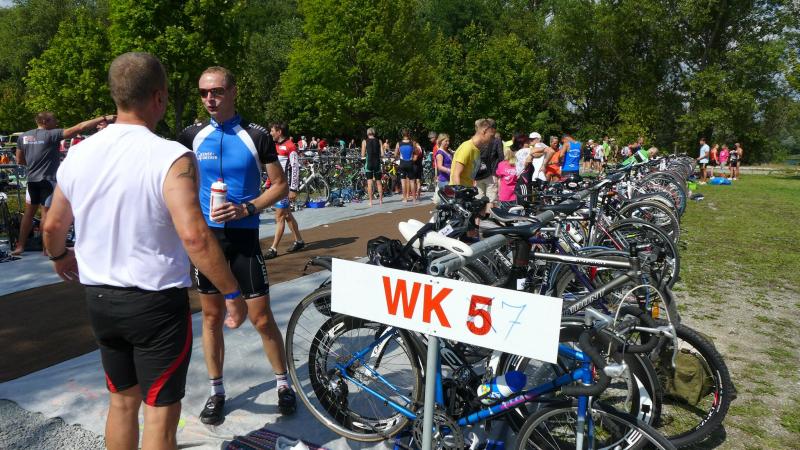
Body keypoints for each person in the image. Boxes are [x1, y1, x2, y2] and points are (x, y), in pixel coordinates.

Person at [42, 52, 249, 450]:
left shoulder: (80, 152)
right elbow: (195, 236)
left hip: (101, 298)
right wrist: (231, 292)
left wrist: (59, 257)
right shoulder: (171, 155)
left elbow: (52, 226)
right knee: (159, 414)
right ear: (159, 97)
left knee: (122, 403)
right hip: (155, 303)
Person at [177, 66, 296, 426]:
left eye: (216, 91)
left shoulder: (256, 135)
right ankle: (216, 391)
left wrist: (248, 208)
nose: (209, 98)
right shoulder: (191, 135)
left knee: (261, 318)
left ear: (233, 92)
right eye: (203, 92)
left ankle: (283, 384)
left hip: (244, 238)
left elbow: (279, 185)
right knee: (212, 317)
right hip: (208, 241)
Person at [12, 111, 110, 255]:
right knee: (46, 214)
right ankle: (46, 248)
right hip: (48, 180)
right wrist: (103, 118)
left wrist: (34, 165)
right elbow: (80, 127)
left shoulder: (24, 136)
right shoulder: (52, 134)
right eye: (53, 120)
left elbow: (19, 160)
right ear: (45, 122)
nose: (56, 122)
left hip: (32, 180)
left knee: (28, 214)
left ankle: (20, 246)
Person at [265, 121, 305, 258]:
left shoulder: (290, 146)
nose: (270, 133)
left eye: (272, 131)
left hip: (284, 188)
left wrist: (293, 189)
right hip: (276, 186)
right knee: (287, 215)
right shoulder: (274, 145)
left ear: (279, 132)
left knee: (280, 216)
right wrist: (268, 183)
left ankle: (273, 248)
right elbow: (274, 168)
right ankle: (299, 241)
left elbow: (295, 168)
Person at [450, 118, 496, 187]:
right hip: (459, 191)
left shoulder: (476, 150)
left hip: (468, 190)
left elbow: (471, 175)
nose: (493, 140)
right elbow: (456, 175)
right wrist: (459, 192)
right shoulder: (467, 147)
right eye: (492, 136)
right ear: (484, 131)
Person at [394, 129, 420, 202]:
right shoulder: (412, 143)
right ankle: (414, 199)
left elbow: (395, 154)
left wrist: (399, 155)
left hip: (402, 163)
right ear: (409, 134)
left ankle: (405, 198)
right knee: (412, 181)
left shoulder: (398, 143)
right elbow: (417, 152)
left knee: (403, 182)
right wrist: (413, 158)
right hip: (410, 163)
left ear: (402, 134)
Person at [361, 127, 383, 206]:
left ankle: (370, 201)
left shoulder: (364, 141)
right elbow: (382, 154)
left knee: (369, 183)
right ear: (374, 133)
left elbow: (362, 154)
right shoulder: (379, 141)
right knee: (379, 182)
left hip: (369, 163)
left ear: (367, 133)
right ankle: (380, 200)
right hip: (377, 163)